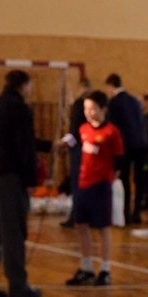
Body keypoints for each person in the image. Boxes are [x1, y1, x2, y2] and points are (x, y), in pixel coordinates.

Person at [0, 69, 42, 297]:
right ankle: (18, 284)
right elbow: (24, 146)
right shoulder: (20, 108)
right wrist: (31, 179)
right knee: (12, 231)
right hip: (8, 177)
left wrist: (48, 145)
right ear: (23, 86)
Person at [64, 90, 124, 287]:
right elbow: (72, 140)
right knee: (81, 225)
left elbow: (119, 162)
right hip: (83, 184)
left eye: (92, 109)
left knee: (103, 228)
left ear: (103, 109)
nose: (88, 113)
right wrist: (60, 144)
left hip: (101, 186)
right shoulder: (83, 129)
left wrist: (109, 181)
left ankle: (105, 269)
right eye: (86, 109)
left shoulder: (111, 132)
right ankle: (86, 267)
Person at [104, 73, 146, 224]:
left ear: (110, 86)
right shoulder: (134, 100)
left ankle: (126, 212)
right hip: (141, 145)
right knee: (139, 179)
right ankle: (137, 212)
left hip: (125, 146)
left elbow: (112, 128)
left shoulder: (113, 102)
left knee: (125, 179)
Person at [60, 78, 91, 228]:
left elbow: (74, 131)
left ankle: (76, 215)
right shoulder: (93, 104)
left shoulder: (79, 104)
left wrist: (64, 143)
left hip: (79, 149)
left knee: (77, 183)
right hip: (91, 149)